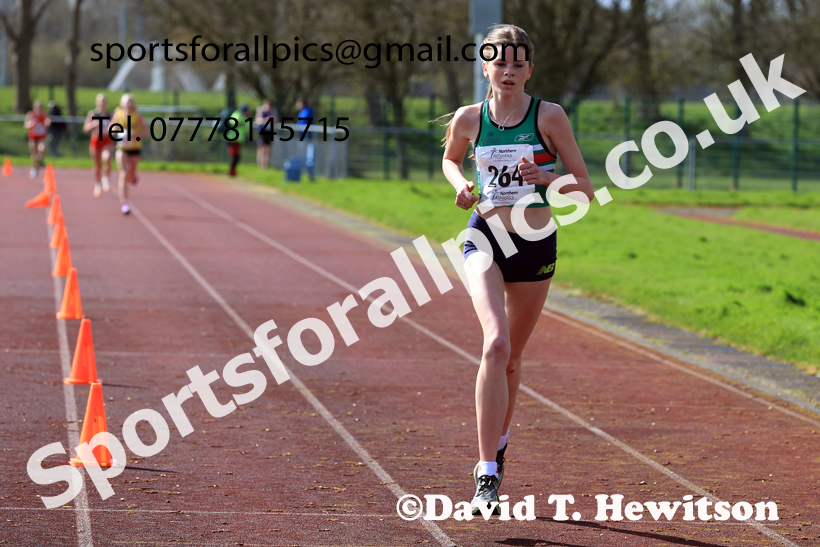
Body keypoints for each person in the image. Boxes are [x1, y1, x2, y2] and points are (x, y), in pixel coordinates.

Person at [440, 25, 595, 514]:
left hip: (533, 244)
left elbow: (585, 189)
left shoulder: (549, 116)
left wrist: (547, 178)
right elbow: (449, 159)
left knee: (512, 360)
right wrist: (460, 184)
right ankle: (486, 476)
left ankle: (500, 444)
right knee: (496, 343)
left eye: (517, 64)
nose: (507, 72)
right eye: (498, 63)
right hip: (484, 236)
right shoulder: (470, 118)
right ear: (485, 67)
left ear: (529, 69)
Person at [111, 94, 147, 215]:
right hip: (122, 148)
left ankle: (133, 176)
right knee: (123, 173)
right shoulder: (118, 115)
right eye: (126, 102)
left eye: (130, 101)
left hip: (135, 148)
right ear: (122, 103)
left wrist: (135, 135)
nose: (128, 104)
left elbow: (146, 131)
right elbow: (112, 129)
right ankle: (124, 203)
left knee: (130, 177)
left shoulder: (138, 116)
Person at [83, 94, 114, 197]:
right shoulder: (93, 113)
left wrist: (113, 130)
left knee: (107, 158)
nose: (102, 103)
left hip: (106, 139)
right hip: (96, 139)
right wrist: (93, 125)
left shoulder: (110, 114)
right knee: (97, 165)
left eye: (104, 101)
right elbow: (85, 128)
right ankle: (97, 184)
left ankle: (106, 178)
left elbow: (115, 126)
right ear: (97, 102)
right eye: (100, 101)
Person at [24, 101, 50, 178]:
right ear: (34, 108)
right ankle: (34, 168)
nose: (38, 109)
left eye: (40, 107)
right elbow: (25, 124)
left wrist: (47, 123)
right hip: (33, 137)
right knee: (34, 153)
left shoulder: (44, 115)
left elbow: (47, 122)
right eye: (37, 107)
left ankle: (39, 161)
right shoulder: (31, 114)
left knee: (42, 149)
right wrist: (30, 124)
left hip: (41, 136)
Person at [227, 104, 250, 176]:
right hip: (232, 138)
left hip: (239, 140)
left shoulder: (245, 117)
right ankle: (232, 171)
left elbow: (246, 129)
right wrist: (241, 121)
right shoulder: (237, 114)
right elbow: (233, 122)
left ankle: (233, 170)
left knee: (236, 157)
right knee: (234, 155)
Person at [296, 97, 315, 181]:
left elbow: (304, 123)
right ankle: (302, 171)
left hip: (306, 137)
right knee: (302, 154)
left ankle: (307, 172)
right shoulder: (302, 111)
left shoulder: (307, 111)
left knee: (307, 155)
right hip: (301, 136)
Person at [255, 99, 278, 170]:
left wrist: (271, 119)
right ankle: (260, 165)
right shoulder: (260, 110)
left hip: (269, 131)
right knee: (261, 149)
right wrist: (265, 120)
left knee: (267, 149)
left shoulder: (273, 111)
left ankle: (265, 166)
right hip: (262, 131)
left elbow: (275, 120)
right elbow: (257, 120)